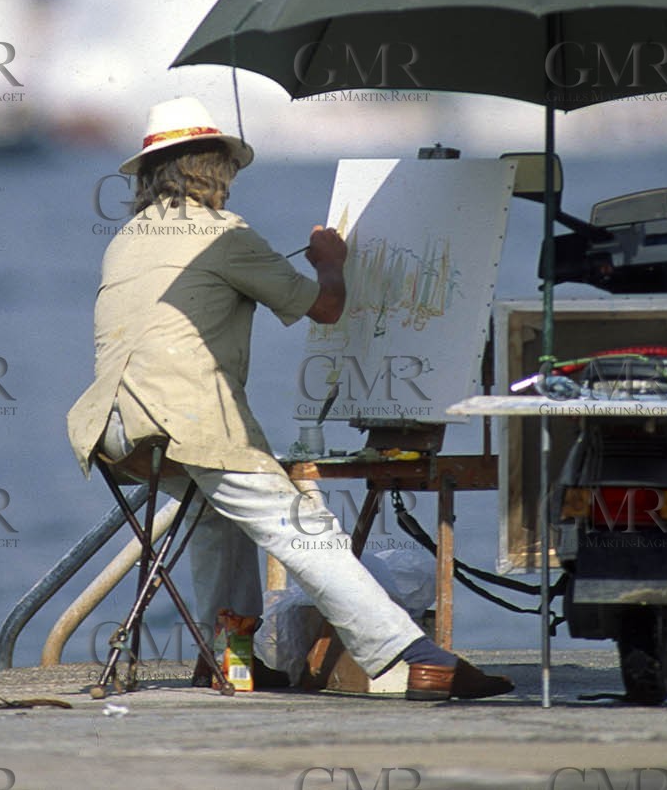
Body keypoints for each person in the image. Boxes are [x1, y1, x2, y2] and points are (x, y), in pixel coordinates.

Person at [67, 96, 512, 701]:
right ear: (212, 169)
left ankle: (232, 659)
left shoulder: (127, 239)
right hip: (186, 420)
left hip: (113, 428)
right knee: (306, 531)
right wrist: (332, 264)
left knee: (218, 521)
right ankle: (413, 653)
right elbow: (325, 307)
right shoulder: (223, 235)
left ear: (150, 175)